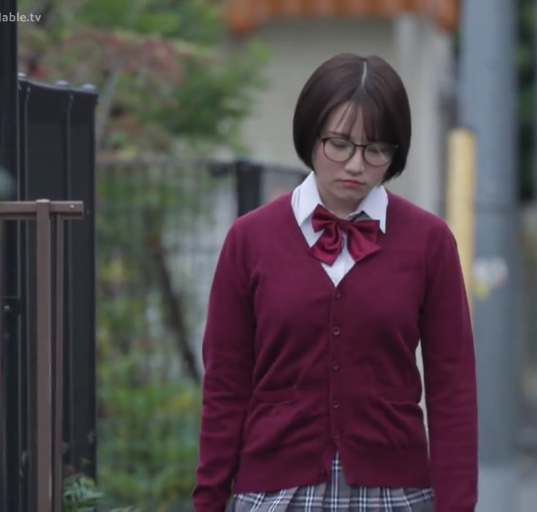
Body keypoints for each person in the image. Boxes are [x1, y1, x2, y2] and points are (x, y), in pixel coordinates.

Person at [192, 53, 478, 512]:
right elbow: (225, 385)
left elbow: (453, 390)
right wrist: (208, 500)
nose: (356, 165)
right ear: (311, 135)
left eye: (376, 149)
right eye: (339, 144)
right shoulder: (250, 239)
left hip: (394, 494)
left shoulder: (429, 242)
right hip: (274, 493)